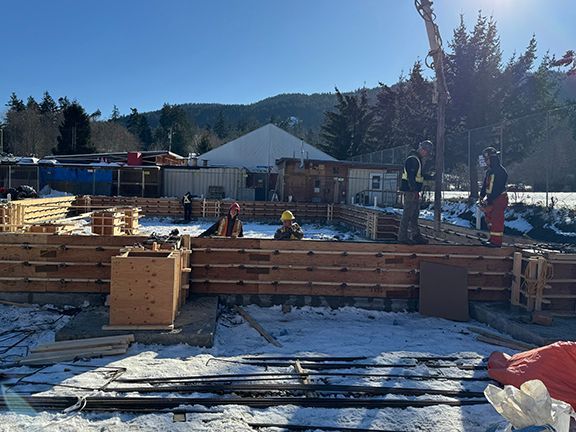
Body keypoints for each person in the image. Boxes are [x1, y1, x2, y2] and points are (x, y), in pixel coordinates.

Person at [397, 140, 434, 245]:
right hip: (411, 191)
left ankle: (415, 235)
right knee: (408, 214)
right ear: (423, 149)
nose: (427, 154)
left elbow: (419, 176)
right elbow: (411, 177)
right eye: (426, 152)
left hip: (413, 191)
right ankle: (402, 237)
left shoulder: (417, 159)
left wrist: (431, 177)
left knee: (414, 215)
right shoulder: (413, 159)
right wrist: (414, 190)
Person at [479, 146, 508, 247]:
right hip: (492, 199)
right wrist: (482, 196)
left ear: (491, 158)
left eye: (486, 159)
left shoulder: (501, 172)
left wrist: (490, 201)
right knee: (490, 220)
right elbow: (485, 185)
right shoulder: (489, 171)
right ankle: (492, 239)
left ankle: (496, 242)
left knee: (497, 220)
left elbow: (497, 188)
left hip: (499, 199)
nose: (486, 162)